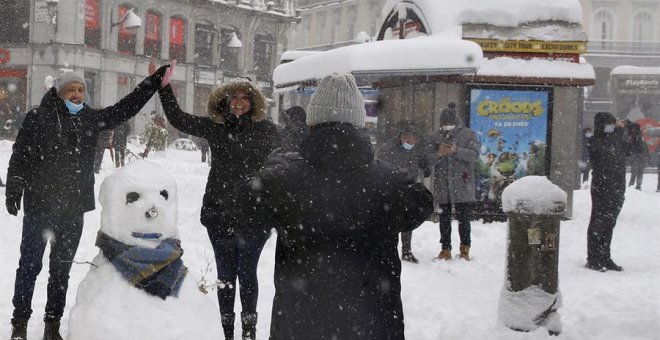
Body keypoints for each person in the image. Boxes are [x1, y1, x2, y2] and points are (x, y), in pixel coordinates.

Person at [228, 73, 434, 340]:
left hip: (300, 325)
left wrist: (273, 170)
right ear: (359, 126)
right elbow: (422, 203)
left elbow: (239, 204)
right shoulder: (388, 183)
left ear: (312, 125)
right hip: (373, 325)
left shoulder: (286, 179)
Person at [5, 66, 169, 340]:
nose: (78, 94)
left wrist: (152, 82)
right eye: (72, 89)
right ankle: (20, 323)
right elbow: (21, 154)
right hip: (39, 205)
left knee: (61, 269)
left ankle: (52, 325)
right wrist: (14, 185)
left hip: (72, 208)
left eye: (81, 90)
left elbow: (124, 108)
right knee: (30, 266)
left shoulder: (90, 119)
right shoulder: (38, 117)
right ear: (59, 91)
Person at [158, 76, 280, 340]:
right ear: (225, 100)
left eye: (244, 97)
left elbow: (285, 159)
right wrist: (164, 88)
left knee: (247, 272)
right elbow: (179, 119)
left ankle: (248, 330)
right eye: (233, 97)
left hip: (255, 213)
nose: (238, 102)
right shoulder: (216, 127)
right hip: (219, 210)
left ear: (253, 101)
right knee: (225, 275)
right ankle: (226, 331)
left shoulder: (267, 131)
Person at [422, 102, 480, 261]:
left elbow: (475, 155)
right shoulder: (435, 136)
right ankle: (445, 249)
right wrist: (439, 154)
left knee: (464, 219)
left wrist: (456, 151)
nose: (445, 126)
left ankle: (465, 249)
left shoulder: (469, 135)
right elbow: (427, 159)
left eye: (448, 123)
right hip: (442, 184)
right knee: (444, 218)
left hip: (462, 184)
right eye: (443, 123)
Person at [586, 112, 633, 272]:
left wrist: (631, 127)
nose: (613, 126)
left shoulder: (617, 141)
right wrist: (618, 131)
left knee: (609, 224)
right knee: (598, 223)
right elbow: (604, 152)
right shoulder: (594, 141)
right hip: (601, 187)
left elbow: (637, 148)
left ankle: (605, 256)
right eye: (610, 123)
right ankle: (593, 258)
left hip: (618, 187)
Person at [376, 119, 425, 263]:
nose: (412, 141)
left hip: (408, 187)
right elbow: (382, 167)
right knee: (391, 221)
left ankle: (407, 251)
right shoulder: (388, 148)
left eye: (414, 138)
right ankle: (388, 251)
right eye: (410, 138)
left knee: (406, 220)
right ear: (402, 136)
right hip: (391, 189)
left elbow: (418, 164)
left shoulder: (414, 148)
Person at [625, 119, 647, 190]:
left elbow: (630, 142)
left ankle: (631, 184)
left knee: (634, 170)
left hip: (634, 152)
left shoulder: (630, 130)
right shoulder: (638, 130)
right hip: (641, 152)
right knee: (640, 170)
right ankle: (638, 185)